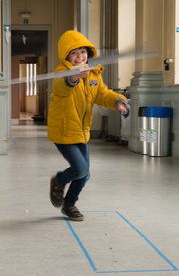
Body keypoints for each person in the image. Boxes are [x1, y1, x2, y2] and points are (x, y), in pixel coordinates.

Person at [48, 30, 129, 221]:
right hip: (64, 130)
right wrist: (74, 77)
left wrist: (118, 100)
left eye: (82, 52)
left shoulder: (93, 74)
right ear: (67, 55)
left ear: (88, 53)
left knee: (84, 175)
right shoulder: (62, 72)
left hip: (82, 132)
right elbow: (61, 86)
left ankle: (69, 205)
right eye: (74, 53)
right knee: (81, 170)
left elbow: (102, 93)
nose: (79, 56)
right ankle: (59, 181)